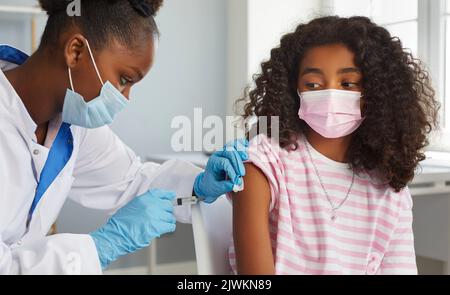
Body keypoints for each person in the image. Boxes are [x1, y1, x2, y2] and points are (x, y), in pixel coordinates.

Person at [0, 0, 247, 274]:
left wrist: (199, 185)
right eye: (124, 79)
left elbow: (132, 180)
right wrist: (103, 245)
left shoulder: (73, 126)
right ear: (76, 51)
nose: (125, 98)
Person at [229, 16, 440, 275]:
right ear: (293, 88)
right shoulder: (264, 163)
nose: (330, 94)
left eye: (348, 84)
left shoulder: (389, 188)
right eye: (313, 84)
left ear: (375, 91)